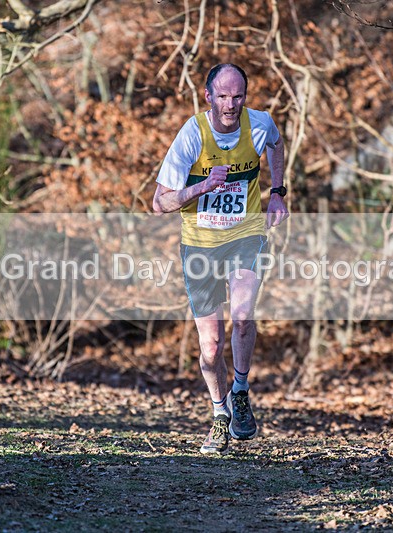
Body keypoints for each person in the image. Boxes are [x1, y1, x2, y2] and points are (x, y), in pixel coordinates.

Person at [153, 63, 289, 454]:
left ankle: (241, 391)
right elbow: (159, 202)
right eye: (223, 96)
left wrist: (277, 190)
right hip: (199, 243)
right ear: (208, 96)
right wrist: (200, 188)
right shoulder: (191, 135)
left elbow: (277, 144)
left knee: (243, 317)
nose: (231, 104)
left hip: (245, 234)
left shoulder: (259, 124)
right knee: (210, 347)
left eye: (238, 96)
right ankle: (219, 414)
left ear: (245, 96)